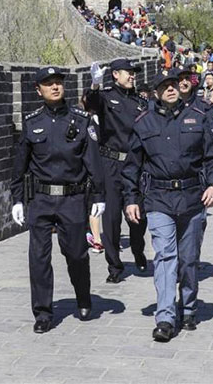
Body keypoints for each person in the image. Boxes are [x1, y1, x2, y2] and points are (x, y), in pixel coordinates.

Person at [121, 70, 213, 342]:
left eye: (174, 85)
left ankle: (188, 306)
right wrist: (131, 199)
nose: (171, 89)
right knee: (165, 256)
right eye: (164, 86)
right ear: (155, 93)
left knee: (188, 259)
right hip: (158, 199)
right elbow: (132, 166)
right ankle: (165, 317)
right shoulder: (144, 123)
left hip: (193, 197)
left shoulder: (200, 118)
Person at [10, 66, 106, 333]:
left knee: (76, 254)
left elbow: (93, 162)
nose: (55, 87)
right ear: (38, 90)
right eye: (48, 83)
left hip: (72, 198)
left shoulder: (80, 120)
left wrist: (99, 195)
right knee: (38, 258)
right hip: (40, 198)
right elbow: (20, 165)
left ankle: (83, 296)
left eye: (58, 83)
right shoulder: (32, 122)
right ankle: (42, 312)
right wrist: (17, 199)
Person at [85, 59, 150, 283]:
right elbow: (90, 103)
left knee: (138, 218)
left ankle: (138, 249)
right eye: (128, 72)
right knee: (111, 219)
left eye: (134, 73)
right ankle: (115, 266)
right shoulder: (105, 96)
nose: (132, 76)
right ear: (115, 74)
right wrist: (95, 84)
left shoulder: (141, 102)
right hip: (110, 164)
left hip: (135, 165)